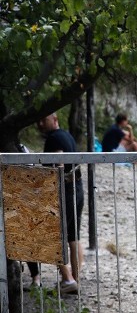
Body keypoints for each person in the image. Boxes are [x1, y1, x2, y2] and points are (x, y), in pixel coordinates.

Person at [37, 112, 84, 296]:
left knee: (53, 236)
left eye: (44, 119)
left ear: (54, 120)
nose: (41, 123)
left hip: (65, 189)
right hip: (77, 188)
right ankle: (74, 281)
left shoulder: (54, 138)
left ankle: (68, 279)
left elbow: (59, 160)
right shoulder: (66, 135)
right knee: (73, 238)